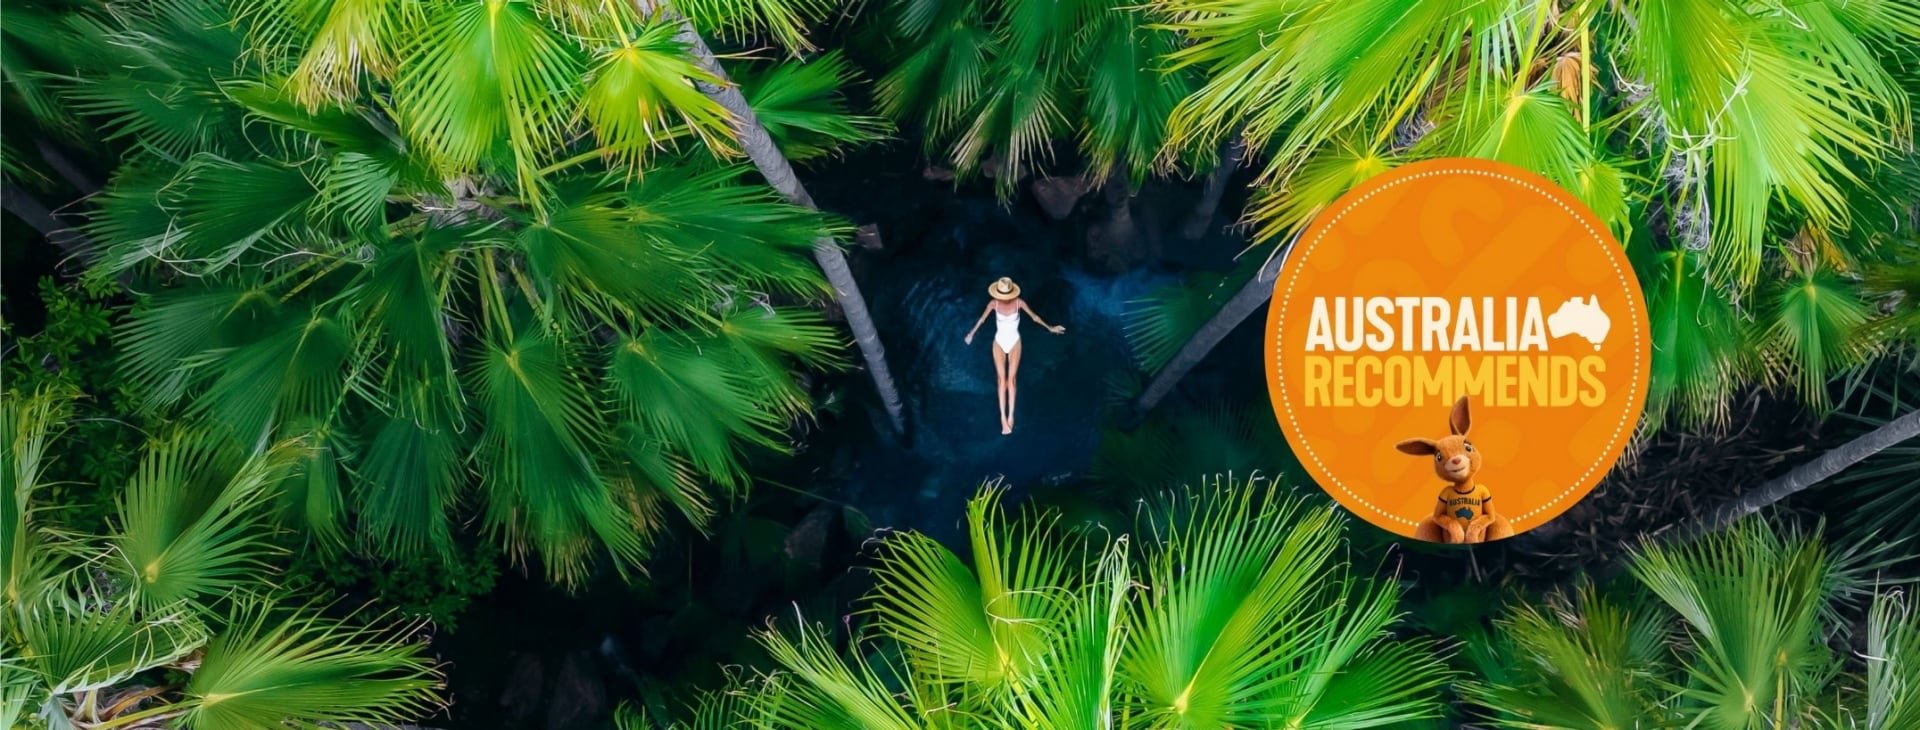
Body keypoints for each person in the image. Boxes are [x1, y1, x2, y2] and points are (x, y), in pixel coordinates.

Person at [965, 277, 1065, 434]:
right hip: (998, 343)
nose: (1003, 298)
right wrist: (971, 333)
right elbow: (982, 319)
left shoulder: (1019, 303)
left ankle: (1010, 415)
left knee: (1011, 380)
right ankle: (1002, 418)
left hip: (1014, 343)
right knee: (1001, 380)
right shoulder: (994, 303)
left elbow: (1034, 317)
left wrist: (1050, 328)